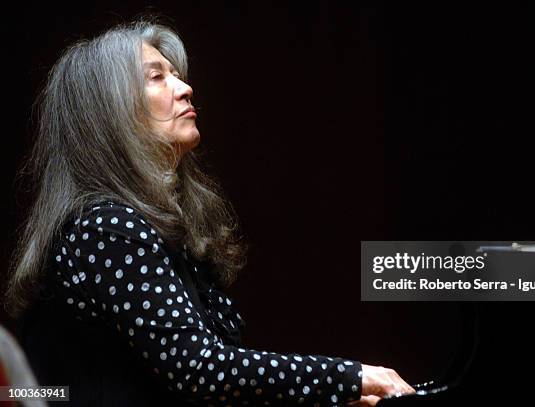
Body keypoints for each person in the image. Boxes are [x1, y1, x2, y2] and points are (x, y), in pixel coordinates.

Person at [3, 17, 414, 406]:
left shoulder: (143, 227)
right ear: (110, 113)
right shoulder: (108, 227)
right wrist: (347, 376)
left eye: (176, 74)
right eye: (157, 77)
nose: (184, 88)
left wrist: (329, 395)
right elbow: (199, 371)